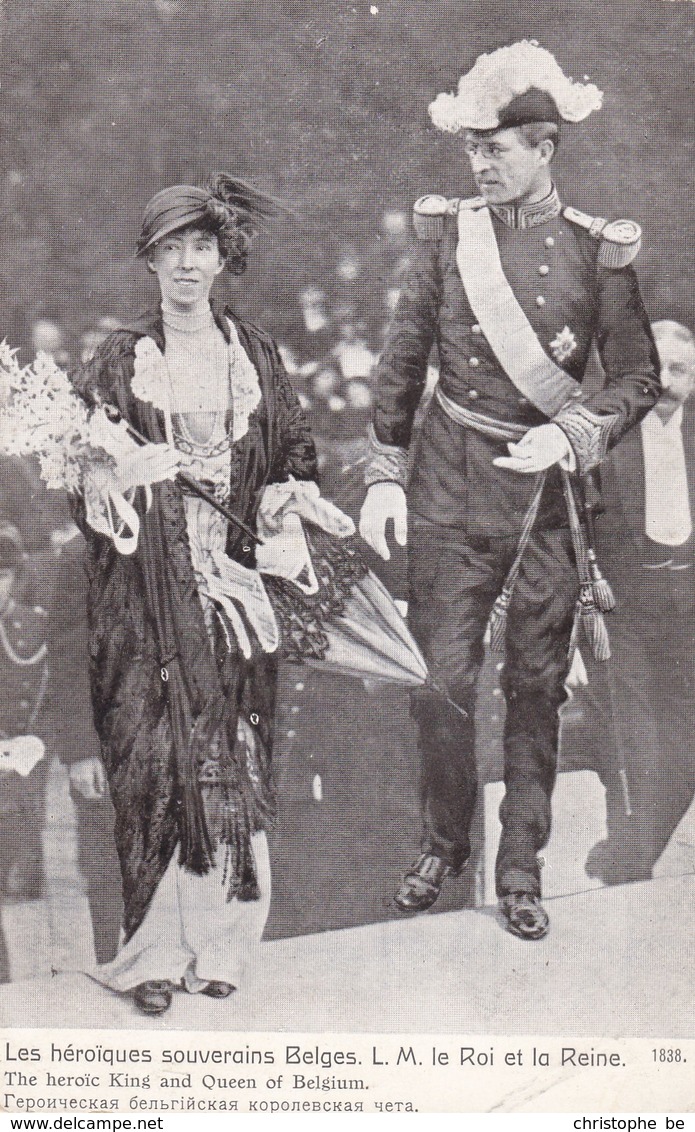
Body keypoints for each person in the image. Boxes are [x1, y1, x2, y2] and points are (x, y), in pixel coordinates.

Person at [359, 41, 661, 939]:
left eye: (495, 149)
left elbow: (637, 377)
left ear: (544, 149)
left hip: (544, 502)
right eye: (471, 150)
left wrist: (570, 431)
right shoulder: (449, 240)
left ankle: (520, 863)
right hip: (449, 487)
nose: (479, 164)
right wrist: (383, 471)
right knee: (438, 681)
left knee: (535, 687)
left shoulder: (595, 254)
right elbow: (403, 360)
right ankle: (442, 839)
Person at [71, 174, 319, 1014]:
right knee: (155, 766)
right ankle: (148, 957)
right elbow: (79, 478)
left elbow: (290, 453)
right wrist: (119, 479)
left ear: (222, 258)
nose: (186, 265)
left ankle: (224, 949)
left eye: (201, 248)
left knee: (236, 765)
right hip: (145, 604)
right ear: (149, 262)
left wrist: (287, 505)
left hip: (236, 591)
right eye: (169, 250)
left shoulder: (255, 353)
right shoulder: (118, 356)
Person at [563, 320, 695, 884]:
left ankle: (633, 848)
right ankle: (631, 863)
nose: (667, 379)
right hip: (625, 606)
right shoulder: (603, 437)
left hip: (689, 603)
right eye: (656, 366)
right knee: (632, 734)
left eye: (681, 367)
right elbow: (573, 536)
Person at [0, 522, 48, 980]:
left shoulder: (30, 627)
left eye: (2, 576)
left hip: (12, 772)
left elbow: (49, 699)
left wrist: (31, 745)